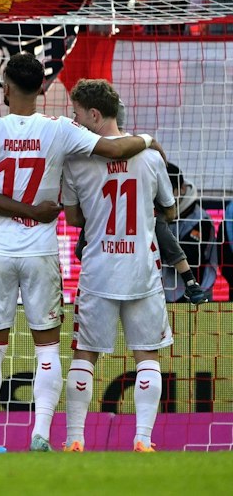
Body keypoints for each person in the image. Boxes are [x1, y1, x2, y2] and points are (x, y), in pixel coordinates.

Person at [0, 53, 152, 451]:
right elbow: (115, 150)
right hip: (41, 249)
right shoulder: (60, 129)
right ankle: (40, 434)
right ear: (43, 88)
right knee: (46, 346)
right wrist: (147, 139)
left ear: (4, 88)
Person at [59, 77, 175, 453]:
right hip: (142, 268)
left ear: (94, 114)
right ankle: (143, 440)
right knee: (147, 354)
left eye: (77, 113)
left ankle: (75, 439)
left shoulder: (76, 160)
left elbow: (74, 219)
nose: (74, 120)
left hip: (99, 270)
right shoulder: (151, 156)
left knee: (85, 354)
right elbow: (169, 210)